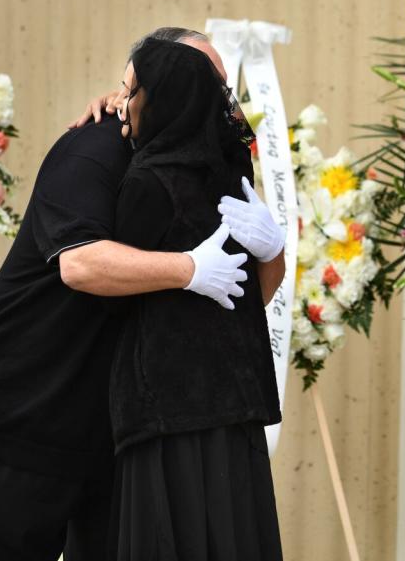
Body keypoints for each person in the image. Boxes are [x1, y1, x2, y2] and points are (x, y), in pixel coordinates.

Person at [0, 27, 284, 561]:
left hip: (118, 423)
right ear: (144, 83)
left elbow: (234, 305)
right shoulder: (93, 147)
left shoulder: (204, 164)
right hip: (24, 402)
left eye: (220, 84)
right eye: (200, 77)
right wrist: (188, 266)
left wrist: (274, 251)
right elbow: (79, 264)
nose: (216, 97)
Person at [107, 37, 282, 561]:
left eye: (133, 91)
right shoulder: (229, 177)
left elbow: (108, 301)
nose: (126, 103)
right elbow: (254, 297)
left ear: (162, 97)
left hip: (167, 415)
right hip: (236, 414)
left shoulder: (146, 182)